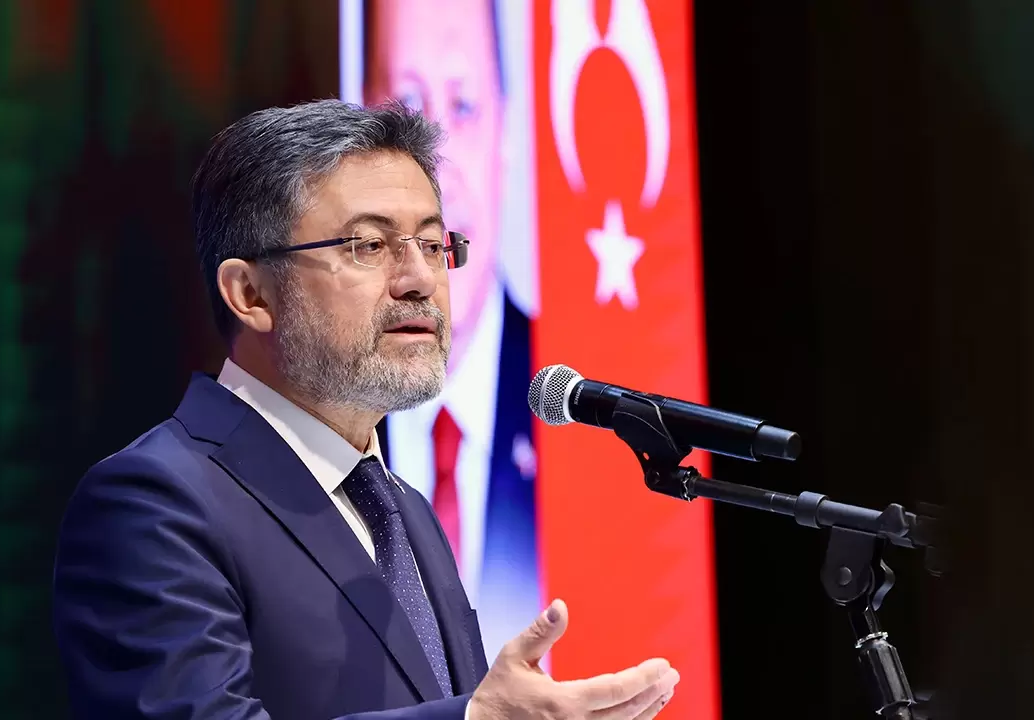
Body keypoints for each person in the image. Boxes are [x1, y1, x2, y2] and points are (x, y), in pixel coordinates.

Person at [52, 100, 679, 719]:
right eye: (369, 245)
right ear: (251, 293)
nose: (420, 280)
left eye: (432, 245)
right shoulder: (154, 502)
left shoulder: (407, 509)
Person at [364, 0, 538, 662]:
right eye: (407, 109)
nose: (437, 168)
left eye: (463, 107)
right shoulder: (314, 419)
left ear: (506, 134)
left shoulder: (585, 406)